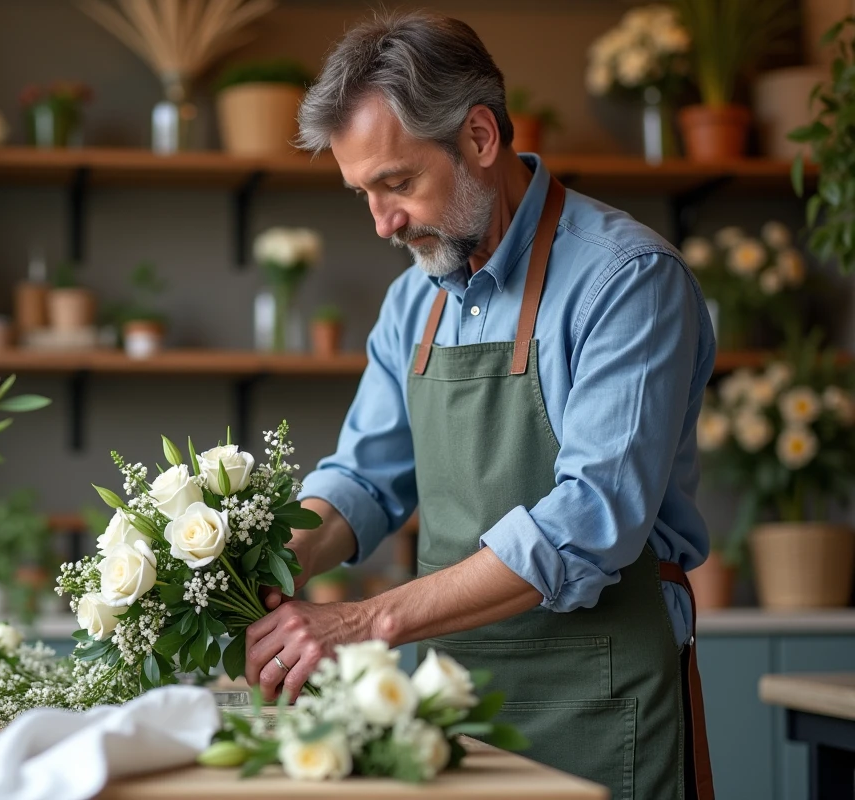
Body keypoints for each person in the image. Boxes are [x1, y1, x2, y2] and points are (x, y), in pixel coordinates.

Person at [243, 10, 716, 800]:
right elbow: (363, 478)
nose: (383, 223)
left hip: (602, 704)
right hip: (450, 708)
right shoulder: (413, 302)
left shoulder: (627, 281)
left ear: (480, 137)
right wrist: (262, 568)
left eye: (398, 183)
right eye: (363, 193)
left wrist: (360, 621)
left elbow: (590, 522)